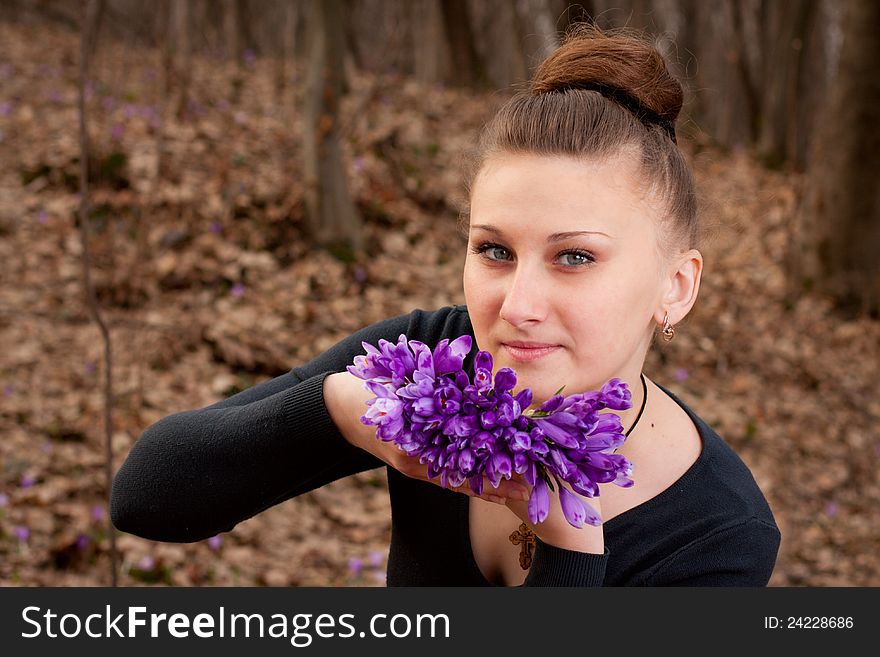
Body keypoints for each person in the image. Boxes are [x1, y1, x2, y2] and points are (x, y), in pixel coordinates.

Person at [110, 25, 780, 586]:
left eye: (575, 257)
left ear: (677, 287)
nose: (517, 304)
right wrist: (344, 411)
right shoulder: (434, 359)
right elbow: (147, 496)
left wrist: (569, 540)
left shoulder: (720, 534)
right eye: (494, 250)